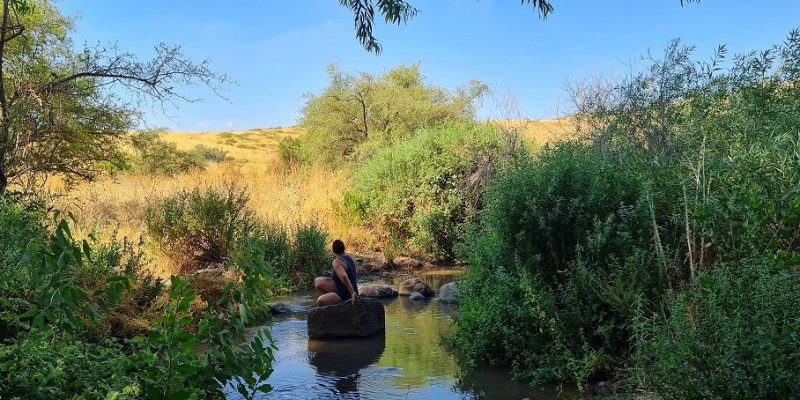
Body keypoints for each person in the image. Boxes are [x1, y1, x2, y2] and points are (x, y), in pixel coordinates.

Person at [314, 239, 359, 306]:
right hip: (343, 287)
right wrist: (331, 274)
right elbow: (346, 273)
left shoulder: (336, 262)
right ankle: (332, 299)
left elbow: (344, 277)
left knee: (320, 301)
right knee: (317, 281)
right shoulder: (348, 258)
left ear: (333, 250)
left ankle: (339, 301)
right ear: (344, 248)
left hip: (347, 292)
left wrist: (352, 293)